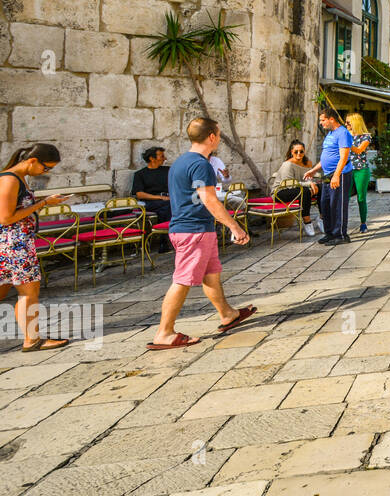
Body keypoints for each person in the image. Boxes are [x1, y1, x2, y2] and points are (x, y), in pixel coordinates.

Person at [149, 117, 254, 350]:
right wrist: (234, 226)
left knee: (211, 273)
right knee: (183, 280)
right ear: (212, 137)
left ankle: (228, 314)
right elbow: (208, 198)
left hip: (194, 229)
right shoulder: (201, 164)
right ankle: (164, 332)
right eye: (218, 133)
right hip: (193, 230)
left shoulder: (181, 162)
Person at [0, 144, 71, 350]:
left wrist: (45, 202)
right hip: (15, 244)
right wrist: (42, 203)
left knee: (18, 290)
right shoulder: (10, 179)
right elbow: (5, 218)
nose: (45, 172)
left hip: (16, 242)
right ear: (33, 161)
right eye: (46, 168)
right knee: (28, 291)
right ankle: (32, 340)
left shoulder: (16, 178)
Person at [306, 108, 353, 245]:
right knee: (325, 204)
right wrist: (313, 170)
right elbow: (327, 156)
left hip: (340, 174)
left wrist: (337, 175)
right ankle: (330, 233)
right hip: (327, 175)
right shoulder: (330, 134)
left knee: (338, 205)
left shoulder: (342, 133)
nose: (321, 123)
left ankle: (341, 235)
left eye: (323, 120)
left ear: (331, 119)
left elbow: (344, 157)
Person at [273, 141, 321, 237]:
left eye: (301, 151)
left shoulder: (308, 163)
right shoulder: (288, 164)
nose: (299, 154)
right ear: (291, 152)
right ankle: (307, 221)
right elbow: (290, 184)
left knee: (322, 188)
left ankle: (322, 218)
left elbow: (308, 179)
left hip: (298, 189)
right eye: (296, 152)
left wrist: (313, 184)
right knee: (305, 191)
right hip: (281, 192)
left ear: (304, 151)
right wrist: (309, 184)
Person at [131, 146, 171, 226]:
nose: (165, 158)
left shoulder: (168, 170)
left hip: (169, 199)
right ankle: (164, 233)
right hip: (151, 202)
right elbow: (139, 194)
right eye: (162, 156)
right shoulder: (140, 174)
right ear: (152, 158)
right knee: (167, 206)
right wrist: (161, 197)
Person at [347, 113, 374, 233]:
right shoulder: (346, 135)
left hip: (361, 170)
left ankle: (363, 223)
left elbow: (359, 150)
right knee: (344, 197)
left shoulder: (366, 137)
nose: (346, 125)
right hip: (347, 169)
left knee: (361, 198)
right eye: (346, 122)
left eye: (348, 123)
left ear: (355, 123)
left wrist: (346, 142)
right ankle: (342, 222)